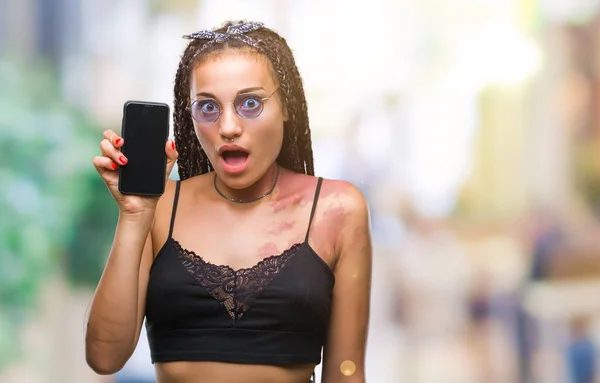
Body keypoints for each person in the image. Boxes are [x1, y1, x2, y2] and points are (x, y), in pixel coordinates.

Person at [85, 20, 372, 383]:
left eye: (250, 103)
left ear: (287, 106)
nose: (229, 127)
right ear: (189, 116)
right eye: (208, 107)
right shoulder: (157, 207)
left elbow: (347, 374)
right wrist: (134, 214)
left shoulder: (338, 208)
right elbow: (104, 357)